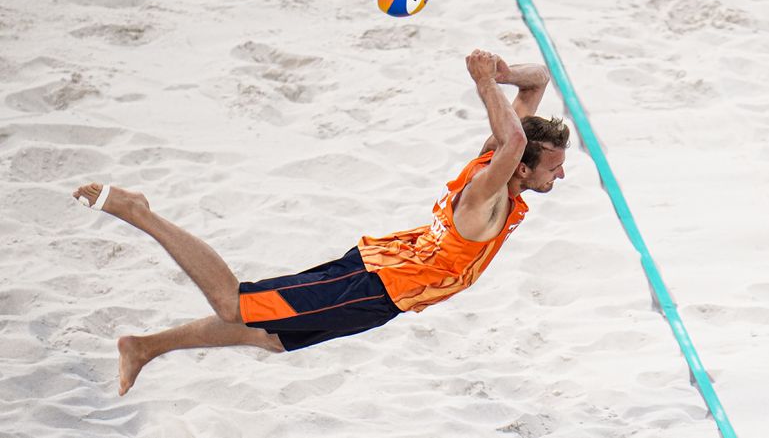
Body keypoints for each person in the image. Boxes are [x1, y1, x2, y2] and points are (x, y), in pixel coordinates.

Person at [73, 49, 569, 396]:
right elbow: (515, 142)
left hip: (386, 283)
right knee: (233, 304)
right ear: (522, 167)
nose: (561, 174)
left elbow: (538, 80)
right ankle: (139, 211)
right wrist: (483, 83)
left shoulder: (496, 166)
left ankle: (144, 347)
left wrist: (502, 72)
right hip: (376, 285)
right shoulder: (488, 190)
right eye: (554, 166)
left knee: (270, 337)